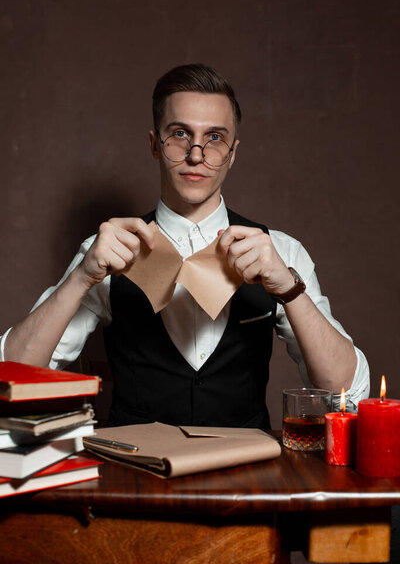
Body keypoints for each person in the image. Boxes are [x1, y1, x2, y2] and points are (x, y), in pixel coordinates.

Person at [0, 64, 369, 428]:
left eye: (214, 138)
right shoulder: (107, 251)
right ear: (153, 145)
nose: (196, 155)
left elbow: (347, 396)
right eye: (179, 133)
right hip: (136, 473)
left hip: (247, 474)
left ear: (232, 153)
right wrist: (81, 277)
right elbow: (11, 378)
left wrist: (289, 289)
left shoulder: (282, 252)